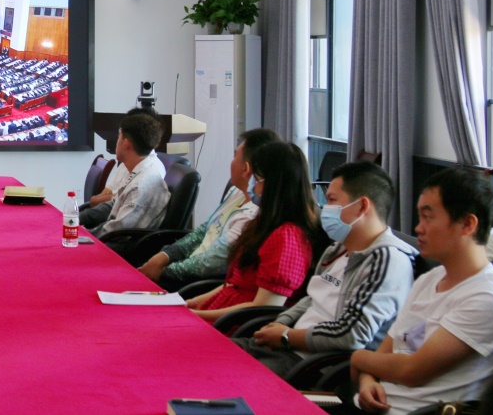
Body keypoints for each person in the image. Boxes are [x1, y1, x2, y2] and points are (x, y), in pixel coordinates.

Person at [351, 168, 493, 414]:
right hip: (371, 405)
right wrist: (367, 379)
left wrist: (358, 358)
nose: (418, 228)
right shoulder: (429, 279)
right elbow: (385, 353)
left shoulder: (489, 297)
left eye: (428, 217)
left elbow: (412, 371)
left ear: (467, 224)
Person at [245, 161, 417, 375]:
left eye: (332, 200)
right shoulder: (338, 250)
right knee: (212, 353)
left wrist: (287, 336)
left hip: (313, 365)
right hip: (286, 348)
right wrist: (277, 327)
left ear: (362, 206)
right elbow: (312, 298)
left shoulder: (387, 261)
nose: (325, 209)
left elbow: (352, 335)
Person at [186, 141, 317, 322]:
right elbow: (233, 283)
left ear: (274, 185)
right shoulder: (264, 222)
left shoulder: (287, 237)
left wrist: (198, 316)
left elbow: (264, 308)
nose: (252, 186)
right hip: (220, 316)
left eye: (256, 179)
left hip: (234, 326)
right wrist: (192, 304)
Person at [137, 127, 279, 289]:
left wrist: (164, 271)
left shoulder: (253, 216)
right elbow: (204, 231)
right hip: (183, 268)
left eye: (235, 156)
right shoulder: (236, 192)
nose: (231, 161)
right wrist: (164, 256)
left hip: (196, 284)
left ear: (245, 168)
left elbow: (214, 262)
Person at [92, 111, 169, 240]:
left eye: (118, 137)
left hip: (115, 248)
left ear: (126, 143)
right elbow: (113, 204)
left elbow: (116, 233)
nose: (116, 142)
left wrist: (83, 236)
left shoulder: (140, 186)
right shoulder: (137, 170)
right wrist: (78, 224)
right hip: (110, 239)